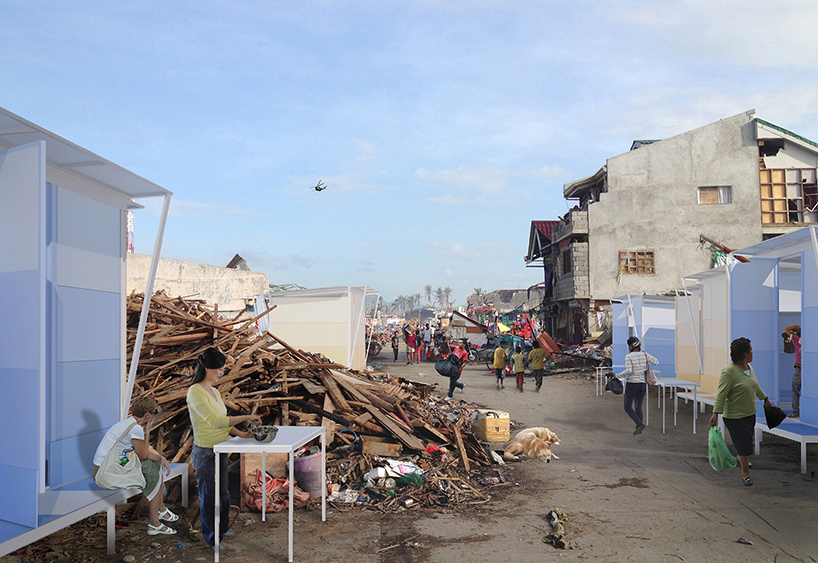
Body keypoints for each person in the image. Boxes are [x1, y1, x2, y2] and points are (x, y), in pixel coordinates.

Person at [187, 347, 261, 548]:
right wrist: (246, 416)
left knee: (224, 494)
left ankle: (223, 529)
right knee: (209, 496)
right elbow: (214, 421)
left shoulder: (216, 392)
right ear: (206, 367)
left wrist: (242, 434)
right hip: (205, 451)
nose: (221, 372)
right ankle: (212, 539)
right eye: (218, 369)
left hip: (220, 448)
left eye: (222, 369)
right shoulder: (195, 392)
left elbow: (225, 423)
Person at [92, 397, 178, 535]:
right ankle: (155, 522)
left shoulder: (127, 423)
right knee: (153, 473)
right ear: (147, 415)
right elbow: (143, 455)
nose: (154, 416)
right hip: (105, 473)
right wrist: (148, 431)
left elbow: (143, 453)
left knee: (154, 467)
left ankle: (159, 512)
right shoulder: (136, 429)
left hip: (106, 467)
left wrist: (161, 458)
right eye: (154, 413)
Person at [709, 337, 774, 487]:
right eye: (750, 350)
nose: (752, 352)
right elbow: (721, 394)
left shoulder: (749, 369)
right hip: (734, 416)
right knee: (745, 444)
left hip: (750, 414)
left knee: (745, 442)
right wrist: (715, 413)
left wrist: (765, 399)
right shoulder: (729, 372)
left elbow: (755, 386)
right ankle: (745, 473)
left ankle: (741, 458)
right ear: (745, 354)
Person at [617, 336, 658, 435]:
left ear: (630, 346)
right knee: (638, 405)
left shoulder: (629, 356)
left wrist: (617, 375)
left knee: (627, 407)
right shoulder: (644, 354)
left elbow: (629, 370)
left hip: (632, 384)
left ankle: (639, 424)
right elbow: (656, 362)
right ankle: (639, 427)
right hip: (642, 384)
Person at [784, 325, 801, 418]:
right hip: (810, 370)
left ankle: (795, 412)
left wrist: (794, 326)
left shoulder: (797, 340)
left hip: (799, 368)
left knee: (795, 391)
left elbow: (786, 329)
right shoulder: (811, 343)